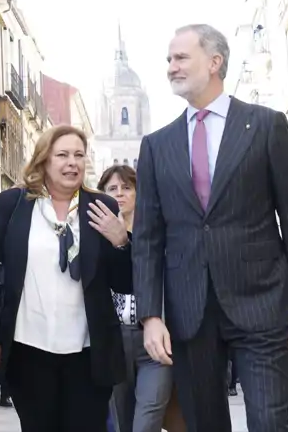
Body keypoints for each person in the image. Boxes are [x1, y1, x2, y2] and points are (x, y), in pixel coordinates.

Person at [133, 24, 288, 432]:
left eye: (181, 57)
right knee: (203, 424)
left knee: (269, 421)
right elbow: (147, 238)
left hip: (262, 300)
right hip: (188, 309)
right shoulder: (156, 146)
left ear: (214, 62)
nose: (171, 67)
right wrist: (150, 316)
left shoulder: (266, 126)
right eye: (168, 59)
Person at [0, 125, 133, 432]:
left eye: (79, 155)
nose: (73, 162)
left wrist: (122, 241)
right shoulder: (12, 205)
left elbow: (124, 283)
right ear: (44, 160)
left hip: (88, 351)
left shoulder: (101, 207)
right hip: (28, 348)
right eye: (63, 155)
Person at [98, 164, 175, 432]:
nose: (119, 194)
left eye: (127, 187)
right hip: (113, 339)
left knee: (147, 421)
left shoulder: (159, 234)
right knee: (121, 422)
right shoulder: (94, 238)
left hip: (154, 338)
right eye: (112, 188)